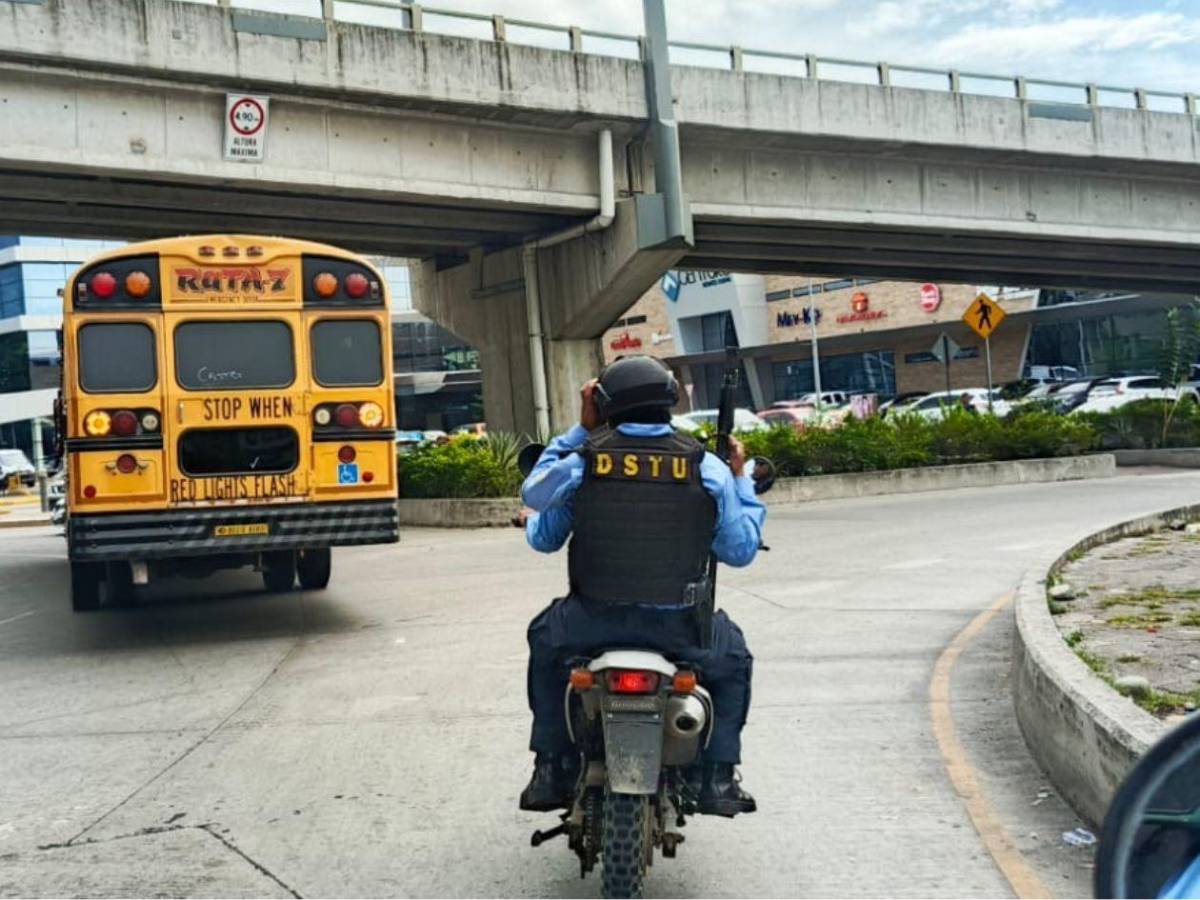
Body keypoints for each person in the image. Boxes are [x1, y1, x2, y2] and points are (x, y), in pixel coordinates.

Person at [517, 355, 766, 817]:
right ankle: (717, 777)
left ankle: (550, 767)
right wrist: (741, 482)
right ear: (670, 400)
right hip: (680, 628)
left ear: (601, 404)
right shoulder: (706, 467)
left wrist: (580, 431)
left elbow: (535, 501)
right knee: (733, 659)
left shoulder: (584, 461)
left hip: (590, 623)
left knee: (544, 639)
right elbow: (739, 550)